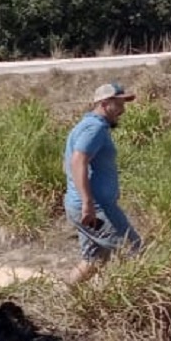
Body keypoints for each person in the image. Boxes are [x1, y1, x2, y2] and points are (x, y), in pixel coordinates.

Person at [63, 81, 142, 285]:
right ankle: (141, 307)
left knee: (94, 259)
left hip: (85, 206)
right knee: (134, 250)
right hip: (95, 209)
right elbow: (78, 160)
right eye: (120, 104)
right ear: (106, 103)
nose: (123, 110)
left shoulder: (89, 126)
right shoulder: (94, 128)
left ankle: (65, 297)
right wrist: (88, 203)